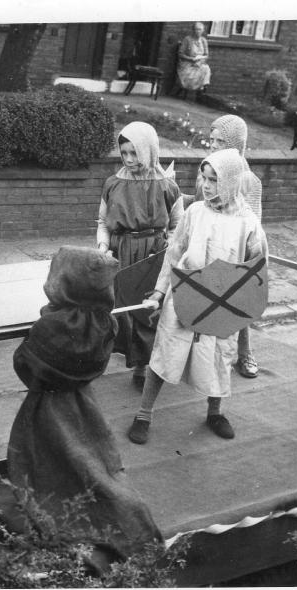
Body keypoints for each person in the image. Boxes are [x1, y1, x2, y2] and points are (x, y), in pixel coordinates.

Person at [7, 246, 162, 564]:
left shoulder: (51, 326)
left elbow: (25, 367)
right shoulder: (105, 322)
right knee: (89, 457)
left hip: (46, 408)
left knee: (47, 461)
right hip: (84, 404)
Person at [127, 148, 265, 445]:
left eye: (214, 180)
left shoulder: (248, 222)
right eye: (203, 178)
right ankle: (143, 413)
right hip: (184, 295)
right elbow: (173, 254)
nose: (205, 185)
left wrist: (243, 303)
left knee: (218, 358)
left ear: (230, 181)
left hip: (221, 304)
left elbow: (257, 267)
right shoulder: (194, 213)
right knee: (166, 354)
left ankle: (215, 412)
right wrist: (161, 291)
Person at [97, 121, 183, 388]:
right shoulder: (113, 184)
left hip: (153, 254)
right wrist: (103, 246)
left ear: (149, 150)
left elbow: (177, 226)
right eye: (124, 153)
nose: (129, 159)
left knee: (145, 311)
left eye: (135, 153)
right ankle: (110, 359)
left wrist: (169, 248)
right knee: (118, 309)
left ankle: (142, 367)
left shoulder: (168, 187)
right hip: (121, 250)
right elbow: (102, 221)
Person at [209, 114, 266, 379]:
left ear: (235, 146)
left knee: (237, 305)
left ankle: (245, 353)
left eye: (220, 141)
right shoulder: (209, 169)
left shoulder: (249, 180)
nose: (213, 146)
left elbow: (253, 223)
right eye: (211, 139)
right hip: (210, 244)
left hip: (236, 250)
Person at [176, 22, 211, 95]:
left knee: (206, 68)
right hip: (187, 63)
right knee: (196, 71)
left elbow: (206, 55)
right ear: (193, 30)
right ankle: (199, 88)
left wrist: (201, 60)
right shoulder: (187, 39)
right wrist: (191, 59)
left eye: (200, 30)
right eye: (196, 29)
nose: (198, 31)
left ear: (203, 30)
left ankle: (202, 89)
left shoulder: (204, 41)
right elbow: (180, 54)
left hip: (199, 63)